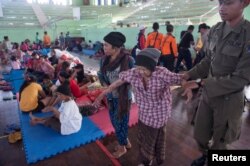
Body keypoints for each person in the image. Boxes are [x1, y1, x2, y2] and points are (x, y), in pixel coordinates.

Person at [182, 0, 250, 165]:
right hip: (208, 96)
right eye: (220, 2)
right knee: (200, 135)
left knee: (220, 142)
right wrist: (188, 74)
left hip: (229, 100)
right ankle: (206, 156)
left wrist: (200, 83)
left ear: (244, 3)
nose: (221, 7)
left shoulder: (247, 34)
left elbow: (242, 77)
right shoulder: (216, 30)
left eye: (228, 3)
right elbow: (208, 61)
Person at [94, 48, 189, 165]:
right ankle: (153, 158)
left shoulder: (162, 73)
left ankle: (146, 161)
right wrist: (104, 93)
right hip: (144, 112)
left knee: (151, 138)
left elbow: (180, 79)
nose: (141, 72)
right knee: (144, 136)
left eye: (144, 69)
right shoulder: (135, 73)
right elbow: (120, 81)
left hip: (159, 113)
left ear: (152, 67)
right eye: (139, 68)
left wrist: (187, 86)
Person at [97, 32, 134, 158]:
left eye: (106, 45)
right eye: (104, 45)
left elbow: (134, 78)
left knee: (121, 122)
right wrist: (103, 83)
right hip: (111, 96)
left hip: (123, 97)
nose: (104, 48)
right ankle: (125, 141)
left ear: (116, 48)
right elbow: (101, 75)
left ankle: (122, 147)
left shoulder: (128, 60)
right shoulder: (103, 60)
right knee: (114, 121)